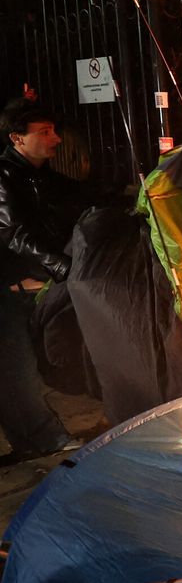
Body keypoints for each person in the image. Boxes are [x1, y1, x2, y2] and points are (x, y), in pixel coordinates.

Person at [0, 95, 85, 459]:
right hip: (8, 289)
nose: (56, 139)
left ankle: (30, 441)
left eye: (54, 131)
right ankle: (44, 439)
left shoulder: (43, 177)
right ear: (17, 138)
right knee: (16, 370)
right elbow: (13, 233)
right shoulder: (2, 177)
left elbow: (82, 199)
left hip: (35, 288)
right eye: (45, 132)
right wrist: (60, 266)